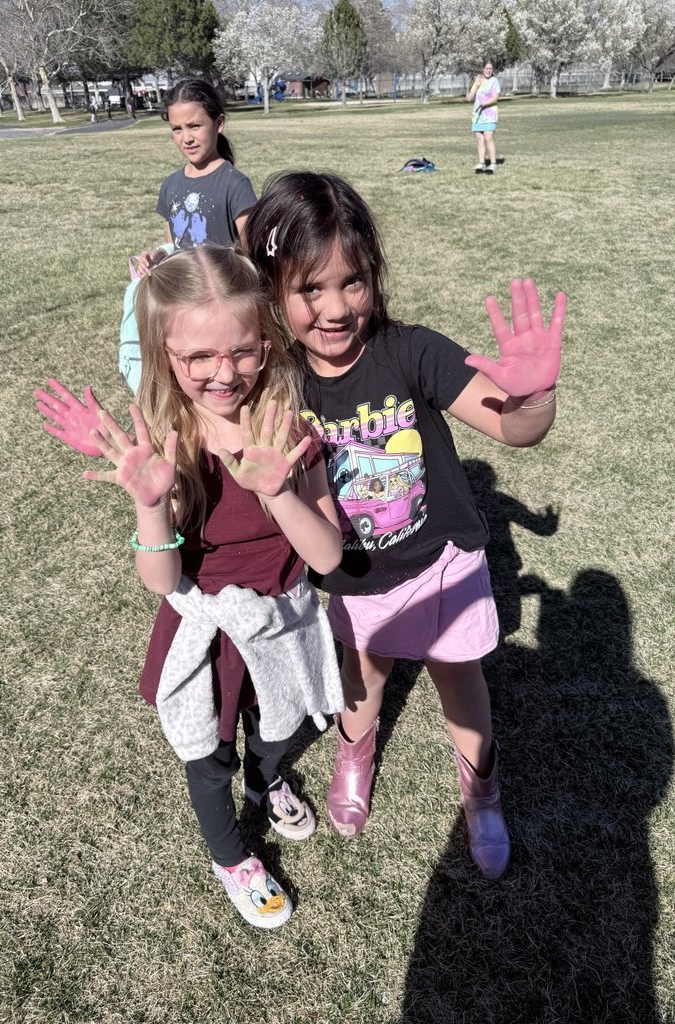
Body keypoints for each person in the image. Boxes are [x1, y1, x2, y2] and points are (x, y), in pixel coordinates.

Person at [244, 171, 566, 880]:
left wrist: (535, 395)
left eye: (352, 283)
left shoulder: (410, 350)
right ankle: (354, 753)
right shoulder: (280, 383)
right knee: (362, 681)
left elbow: (513, 428)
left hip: (441, 562)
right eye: (310, 289)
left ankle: (482, 790)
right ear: (275, 290)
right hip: (354, 574)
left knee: (461, 678)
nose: (335, 308)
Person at [36, 246, 344, 928]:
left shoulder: (291, 433)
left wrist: (281, 493)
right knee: (209, 759)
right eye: (198, 358)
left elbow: (326, 558)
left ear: (268, 341)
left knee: (275, 731)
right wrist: (151, 502)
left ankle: (266, 785)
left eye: (243, 351)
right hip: (206, 634)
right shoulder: (167, 443)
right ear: (163, 354)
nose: (223, 373)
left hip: (283, 622)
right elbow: (161, 580)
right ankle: (230, 854)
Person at [139, 79, 256, 267]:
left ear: (218, 124)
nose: (187, 138)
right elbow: (173, 246)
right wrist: (157, 257)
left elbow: (251, 255)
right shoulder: (170, 185)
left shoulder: (235, 184)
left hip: (224, 293)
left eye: (194, 126)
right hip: (182, 292)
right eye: (177, 129)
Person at [466, 60, 501, 174]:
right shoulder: (479, 81)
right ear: (483, 69)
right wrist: (475, 85)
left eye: (490, 69)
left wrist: (484, 103)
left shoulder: (494, 81)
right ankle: (481, 163)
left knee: (488, 139)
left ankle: (493, 163)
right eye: (486, 68)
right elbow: (470, 98)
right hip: (477, 116)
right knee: (480, 140)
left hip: (489, 115)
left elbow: (495, 98)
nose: (488, 71)